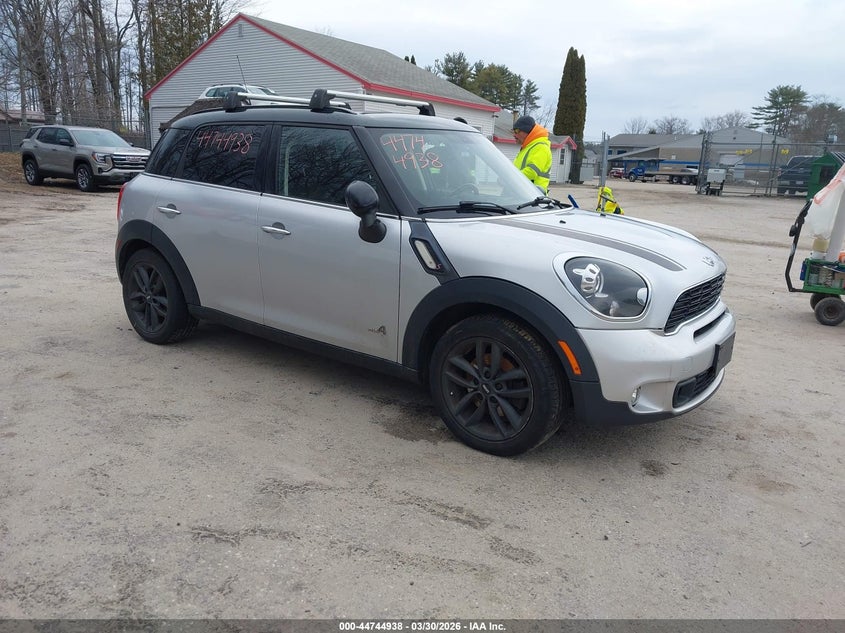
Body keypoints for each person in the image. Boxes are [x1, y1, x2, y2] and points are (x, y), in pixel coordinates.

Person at [512, 115, 552, 194]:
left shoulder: (541, 147)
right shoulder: (527, 148)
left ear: (527, 131)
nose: (514, 134)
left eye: (517, 131)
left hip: (533, 198)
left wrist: (509, 178)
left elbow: (531, 172)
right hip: (523, 195)